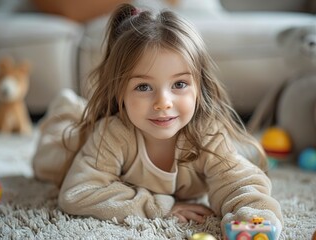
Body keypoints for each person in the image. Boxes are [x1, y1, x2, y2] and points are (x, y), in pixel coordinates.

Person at [32, 3, 283, 238]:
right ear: (120, 92)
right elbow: (77, 193)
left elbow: (241, 183)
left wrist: (254, 219)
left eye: (180, 84)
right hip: (76, 141)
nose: (163, 102)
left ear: (199, 88)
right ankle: (67, 107)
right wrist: (159, 206)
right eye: (143, 87)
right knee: (52, 161)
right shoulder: (113, 132)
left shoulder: (207, 133)